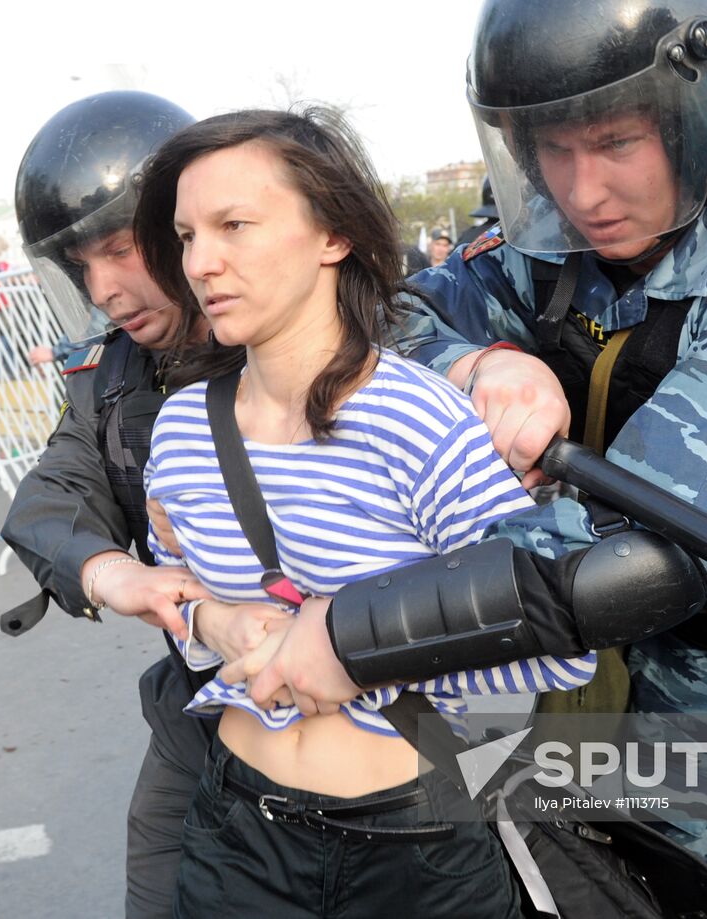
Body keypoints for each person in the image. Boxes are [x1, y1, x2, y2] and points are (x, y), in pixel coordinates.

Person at [237, 1, 707, 915]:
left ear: (705, 117)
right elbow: (370, 315)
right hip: (687, 679)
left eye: (617, 140)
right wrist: (483, 359)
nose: (583, 189)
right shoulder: (552, 253)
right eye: (554, 149)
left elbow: (641, 539)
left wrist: (354, 634)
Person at [131, 106, 598, 919]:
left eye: (235, 225)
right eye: (186, 235)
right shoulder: (180, 428)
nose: (203, 262)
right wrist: (213, 621)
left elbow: (558, 649)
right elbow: (178, 600)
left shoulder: (413, 418)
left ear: (333, 235)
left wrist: (360, 647)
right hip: (237, 827)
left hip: (413, 851)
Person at [0, 91, 217, 919]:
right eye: (83, 266)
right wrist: (105, 568)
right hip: (198, 710)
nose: (108, 288)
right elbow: (50, 493)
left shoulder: (314, 340)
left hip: (371, 720)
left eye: (122, 249)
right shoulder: (115, 374)